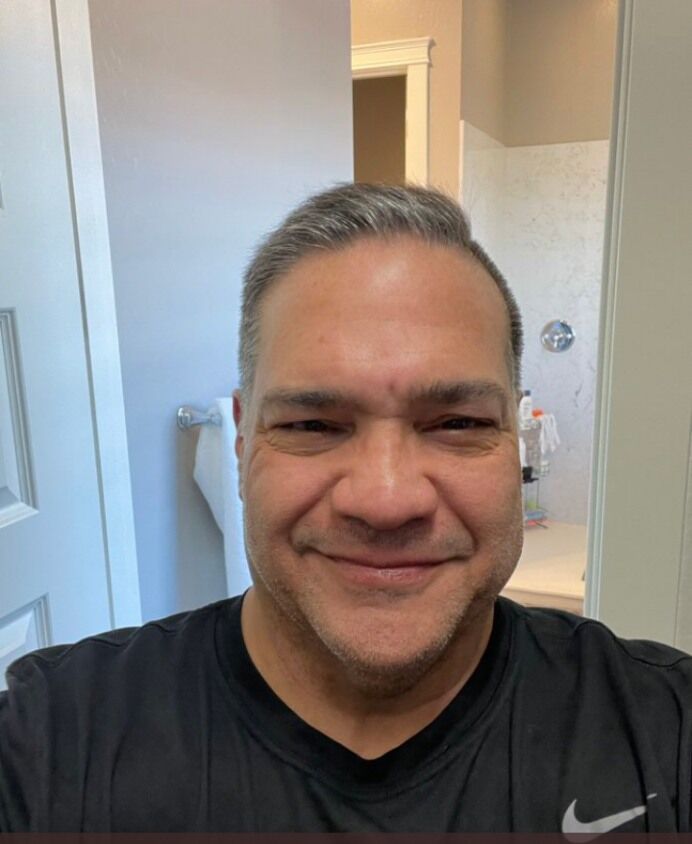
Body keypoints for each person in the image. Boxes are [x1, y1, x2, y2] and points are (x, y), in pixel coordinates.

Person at [0, 183, 690, 833]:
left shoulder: (666, 731)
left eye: (457, 423)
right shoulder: (53, 741)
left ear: (515, 439)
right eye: (312, 425)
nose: (386, 502)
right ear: (241, 442)